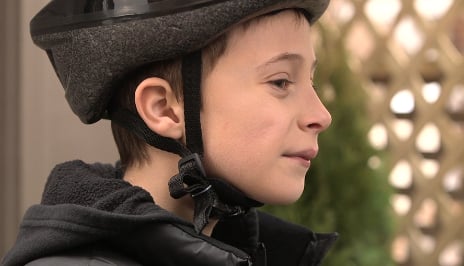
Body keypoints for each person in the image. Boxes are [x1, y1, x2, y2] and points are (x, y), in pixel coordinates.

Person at [2, 0, 338, 265]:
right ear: (163, 108)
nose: (320, 116)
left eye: (310, 80)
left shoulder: (257, 250)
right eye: (280, 82)